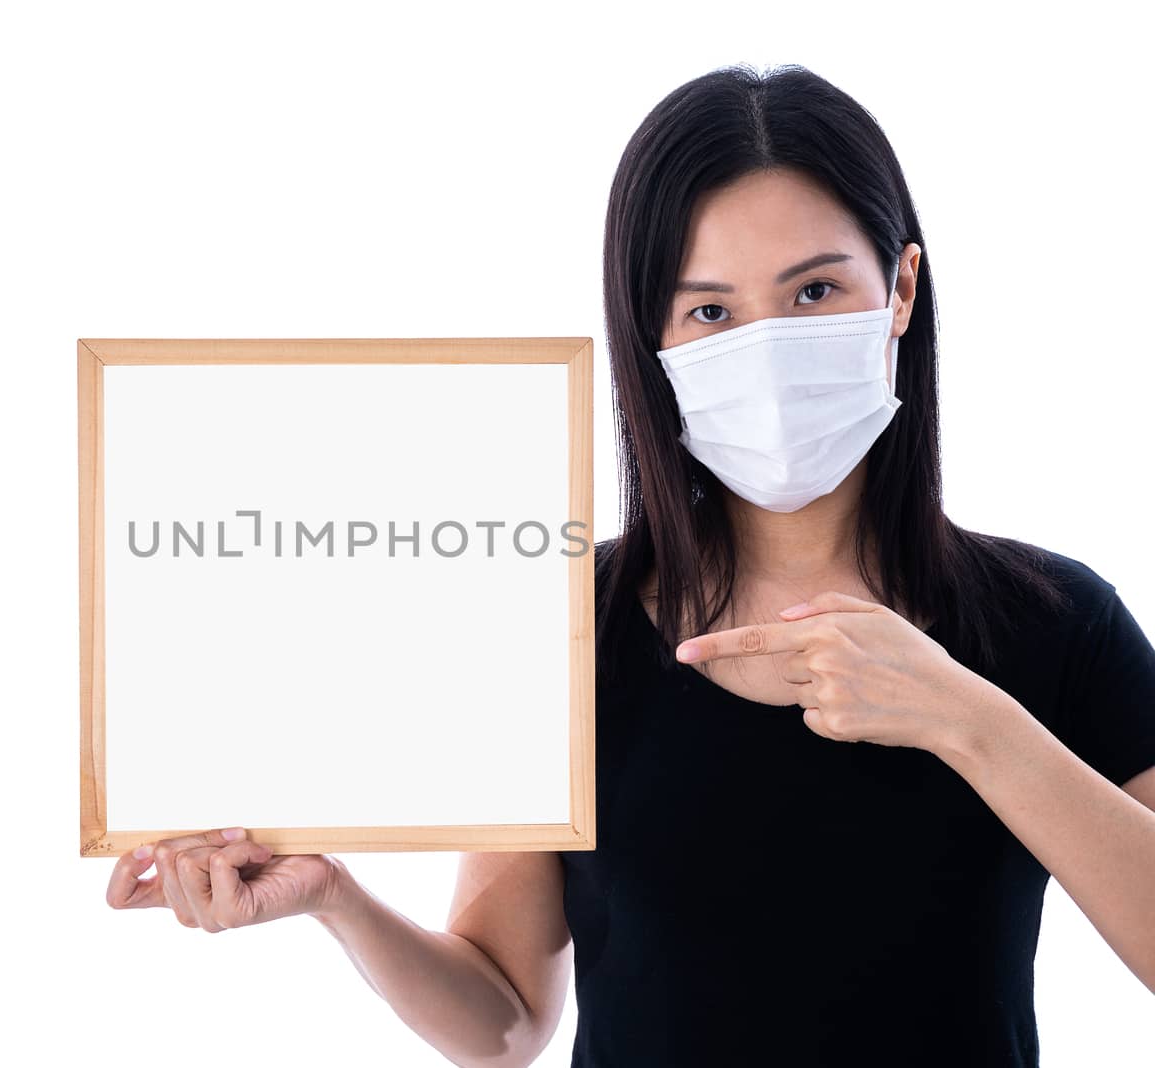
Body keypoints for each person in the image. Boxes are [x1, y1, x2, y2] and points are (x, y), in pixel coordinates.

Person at [103, 63, 1155, 1067]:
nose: (767, 347)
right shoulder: (569, 628)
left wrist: (968, 720)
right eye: (709, 311)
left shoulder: (1056, 621)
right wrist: (336, 898)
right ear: (649, 338)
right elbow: (504, 1026)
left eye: (815, 290)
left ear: (901, 289)